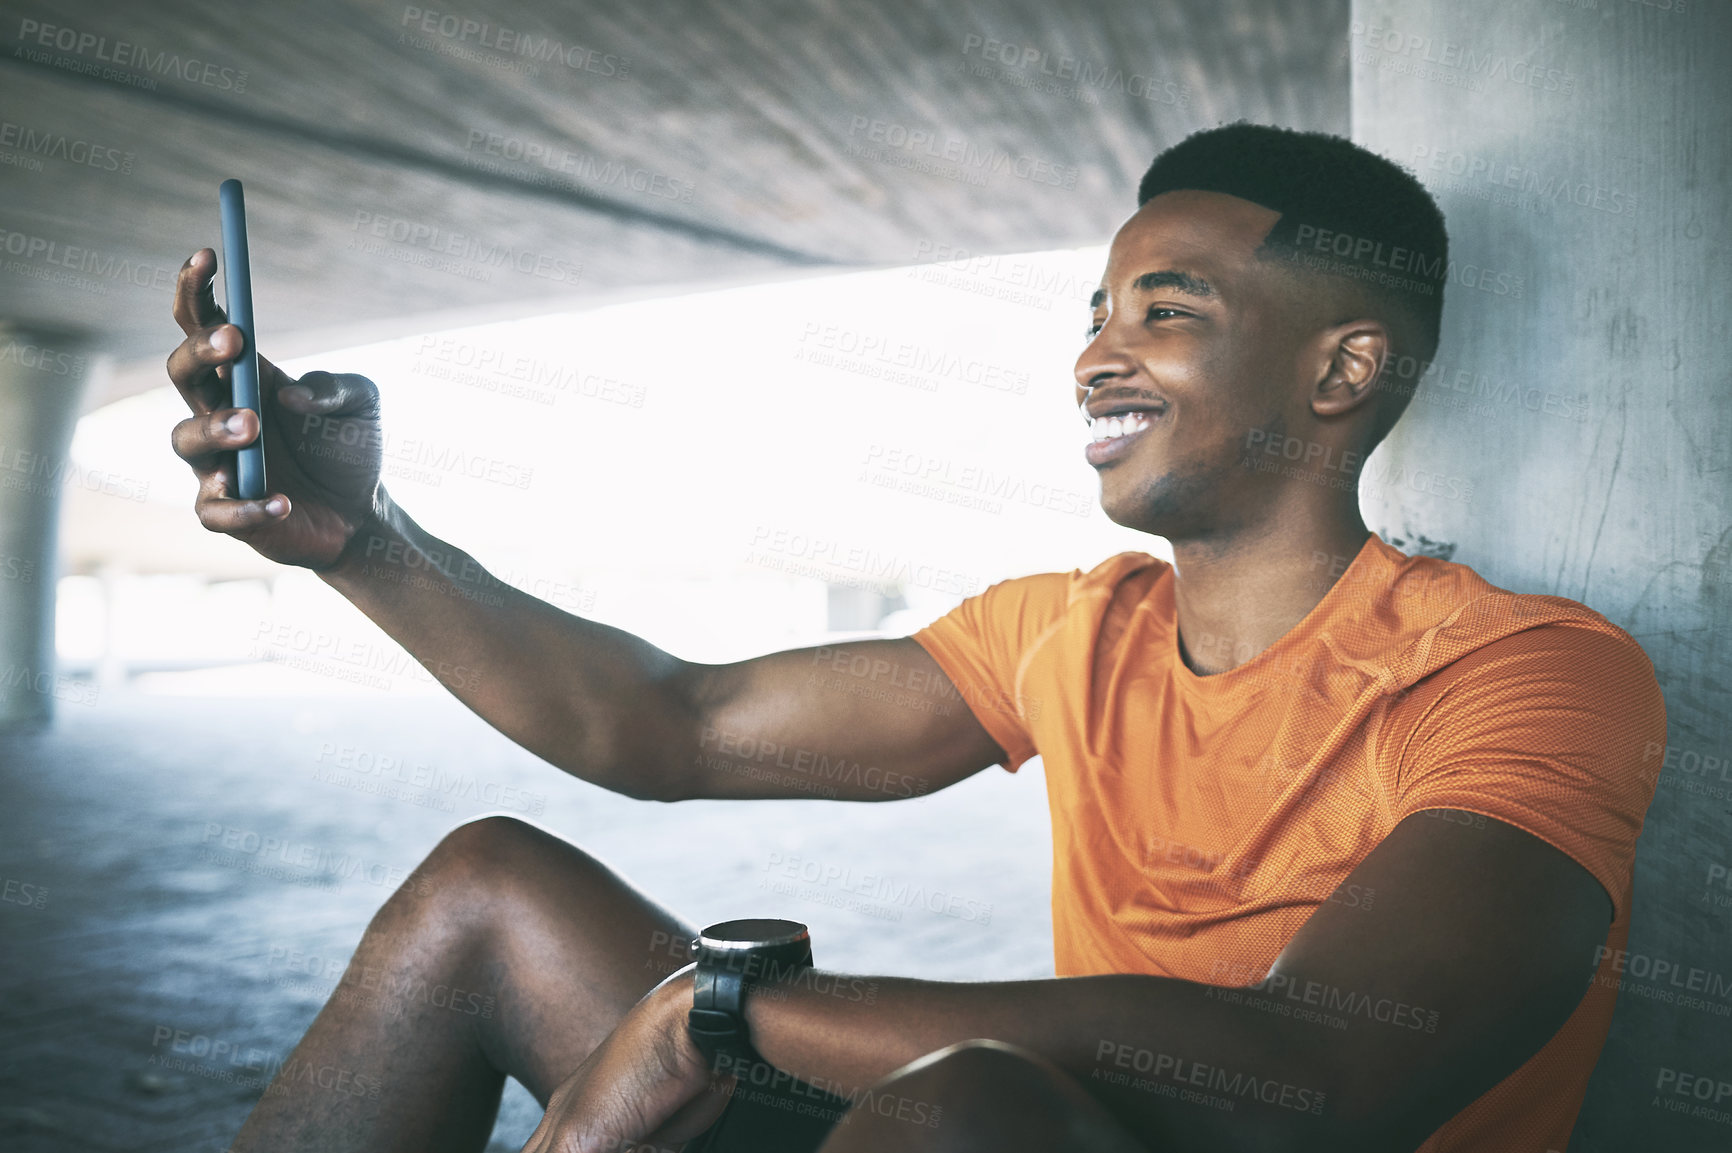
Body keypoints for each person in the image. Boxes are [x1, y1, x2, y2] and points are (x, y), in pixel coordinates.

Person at [165, 122, 1665, 1153]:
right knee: (485, 888)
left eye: (1169, 309)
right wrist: (364, 539)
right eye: (1093, 311)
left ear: (1343, 369)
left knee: (964, 1110)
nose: (1095, 351)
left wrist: (729, 1016)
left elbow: (1323, 1079)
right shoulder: (1070, 634)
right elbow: (669, 723)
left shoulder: (1524, 673)